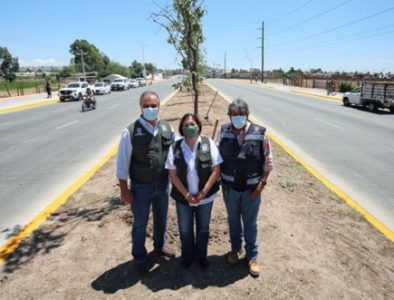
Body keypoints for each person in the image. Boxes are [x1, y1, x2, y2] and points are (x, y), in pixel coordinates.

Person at [116, 91, 177, 275]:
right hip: (141, 187)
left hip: (162, 184)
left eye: (154, 105)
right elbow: (122, 162)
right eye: (146, 105)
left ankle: (159, 246)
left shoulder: (168, 128)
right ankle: (139, 256)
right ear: (140, 107)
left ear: (159, 106)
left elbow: (177, 152)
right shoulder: (130, 131)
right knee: (140, 223)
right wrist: (124, 189)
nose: (150, 108)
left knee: (161, 219)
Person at [215, 98, 273, 278]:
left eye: (241, 114)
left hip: (252, 190)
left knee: (250, 223)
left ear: (248, 115)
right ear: (229, 116)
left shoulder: (260, 133)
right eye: (234, 114)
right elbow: (215, 159)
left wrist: (262, 184)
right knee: (233, 220)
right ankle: (235, 249)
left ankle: (252, 256)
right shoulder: (223, 131)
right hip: (229, 189)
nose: (238, 117)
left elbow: (268, 162)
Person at [165, 113, 222, 269]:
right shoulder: (175, 147)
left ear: (198, 126)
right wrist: (188, 195)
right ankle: (187, 257)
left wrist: (202, 193)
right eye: (186, 125)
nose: (189, 127)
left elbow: (216, 170)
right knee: (185, 229)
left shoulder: (208, 143)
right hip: (183, 198)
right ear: (181, 129)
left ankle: (202, 257)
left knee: (203, 229)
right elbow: (173, 174)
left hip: (206, 198)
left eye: (192, 124)